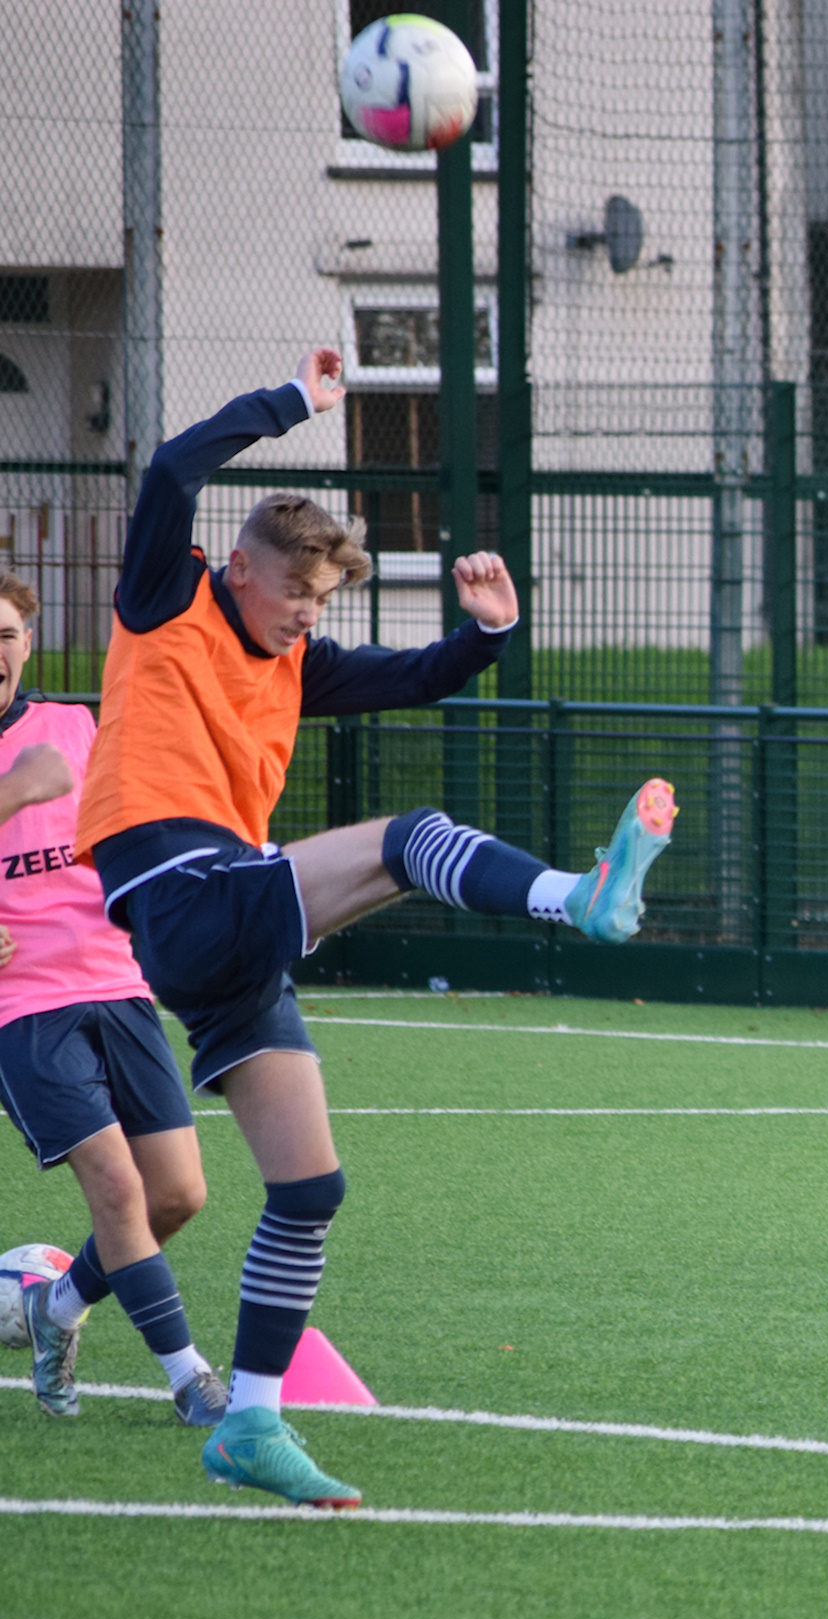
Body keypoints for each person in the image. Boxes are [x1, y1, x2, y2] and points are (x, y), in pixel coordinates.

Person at [73, 349, 678, 1509]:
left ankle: (250, 1421)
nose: (307, 613)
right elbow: (169, 465)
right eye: (294, 589)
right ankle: (577, 899)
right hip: (181, 890)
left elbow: (418, 675)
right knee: (408, 838)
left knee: (308, 1187)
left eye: (323, 598)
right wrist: (293, 402)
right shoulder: (166, 599)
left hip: (228, 929)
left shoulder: (296, 660)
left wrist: (491, 634)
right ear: (237, 566)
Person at [0, 572, 225, 1427]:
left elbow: (133, 827)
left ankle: (58, 1309)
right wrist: (18, 787)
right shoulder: (33, 763)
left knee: (178, 1194)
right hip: (21, 1007)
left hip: (116, 981)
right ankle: (191, 1378)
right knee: (119, 1190)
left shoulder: (75, 728)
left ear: (28, 643)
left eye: (6, 634)